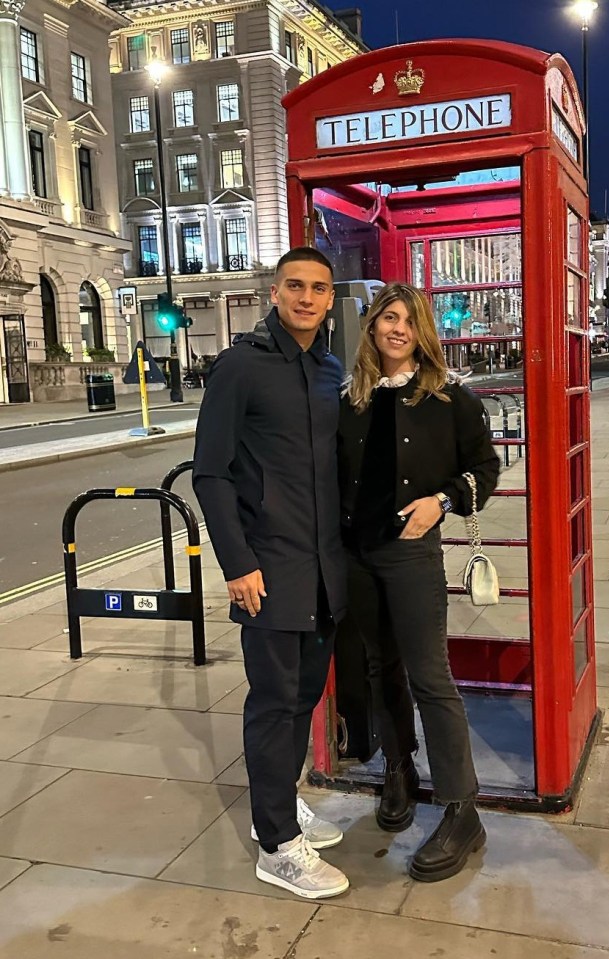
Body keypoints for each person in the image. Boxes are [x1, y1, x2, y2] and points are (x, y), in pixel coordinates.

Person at [192, 247, 349, 901]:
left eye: (318, 287)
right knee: (272, 702)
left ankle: (281, 803)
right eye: (294, 286)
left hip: (322, 569)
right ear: (275, 291)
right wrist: (237, 563)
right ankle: (277, 844)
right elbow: (210, 472)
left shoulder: (328, 367)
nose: (306, 297)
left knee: (304, 696)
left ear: (330, 298)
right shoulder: (239, 367)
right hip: (268, 569)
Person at [338, 283, 500, 883]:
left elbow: (487, 467)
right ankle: (399, 771)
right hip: (358, 555)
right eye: (387, 317)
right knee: (381, 667)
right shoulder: (350, 399)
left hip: (410, 555)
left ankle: (463, 809)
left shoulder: (449, 398)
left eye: (408, 319)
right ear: (373, 327)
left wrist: (442, 500)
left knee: (431, 677)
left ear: (421, 329)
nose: (396, 328)